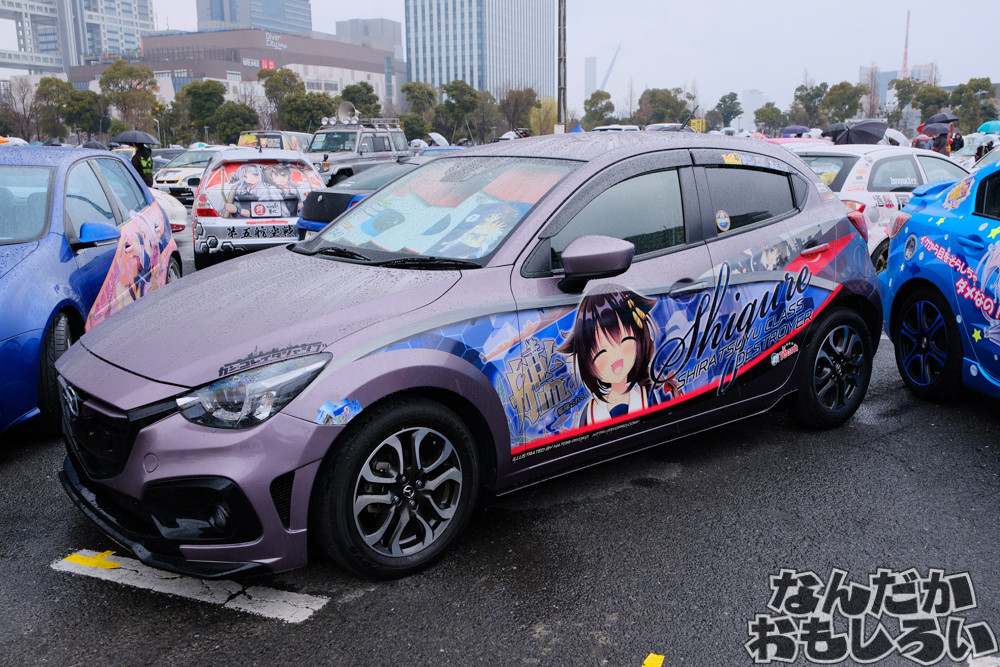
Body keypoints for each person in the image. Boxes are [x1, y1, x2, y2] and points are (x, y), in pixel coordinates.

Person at [557, 290, 665, 428]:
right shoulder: (590, 412)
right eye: (602, 352)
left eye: (624, 340)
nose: (615, 354)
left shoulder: (646, 396)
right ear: (587, 362)